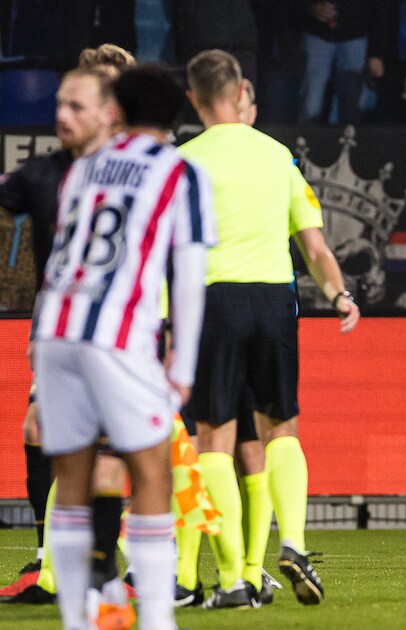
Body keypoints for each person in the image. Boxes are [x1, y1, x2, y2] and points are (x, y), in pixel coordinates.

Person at [32, 63, 215, 630]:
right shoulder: (180, 172)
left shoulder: (84, 168)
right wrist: (181, 367)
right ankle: (158, 619)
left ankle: (76, 620)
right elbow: (187, 274)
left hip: (54, 331)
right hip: (117, 336)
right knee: (152, 471)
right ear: (178, 111)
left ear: (118, 112)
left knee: (73, 482)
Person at [179, 48, 360, 608]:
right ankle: (296, 544)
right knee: (281, 428)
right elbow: (315, 247)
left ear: (194, 98)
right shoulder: (279, 157)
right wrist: (340, 295)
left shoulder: (182, 162)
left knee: (214, 439)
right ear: (239, 94)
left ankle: (235, 577)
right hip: (274, 301)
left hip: (214, 301)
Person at [0, 44, 136, 611]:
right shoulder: (49, 171)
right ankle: (51, 559)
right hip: (58, 325)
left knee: (121, 455)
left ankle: (118, 566)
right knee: (40, 432)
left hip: (123, 327)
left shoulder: (143, 165)